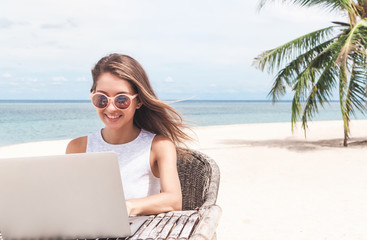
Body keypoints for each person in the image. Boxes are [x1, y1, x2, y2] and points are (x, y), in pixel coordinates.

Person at [66, 53, 191, 215]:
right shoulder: (77, 148)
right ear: (92, 96)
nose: (110, 108)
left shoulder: (159, 146)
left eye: (121, 99)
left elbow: (174, 201)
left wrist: (127, 207)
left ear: (138, 101)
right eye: (102, 99)